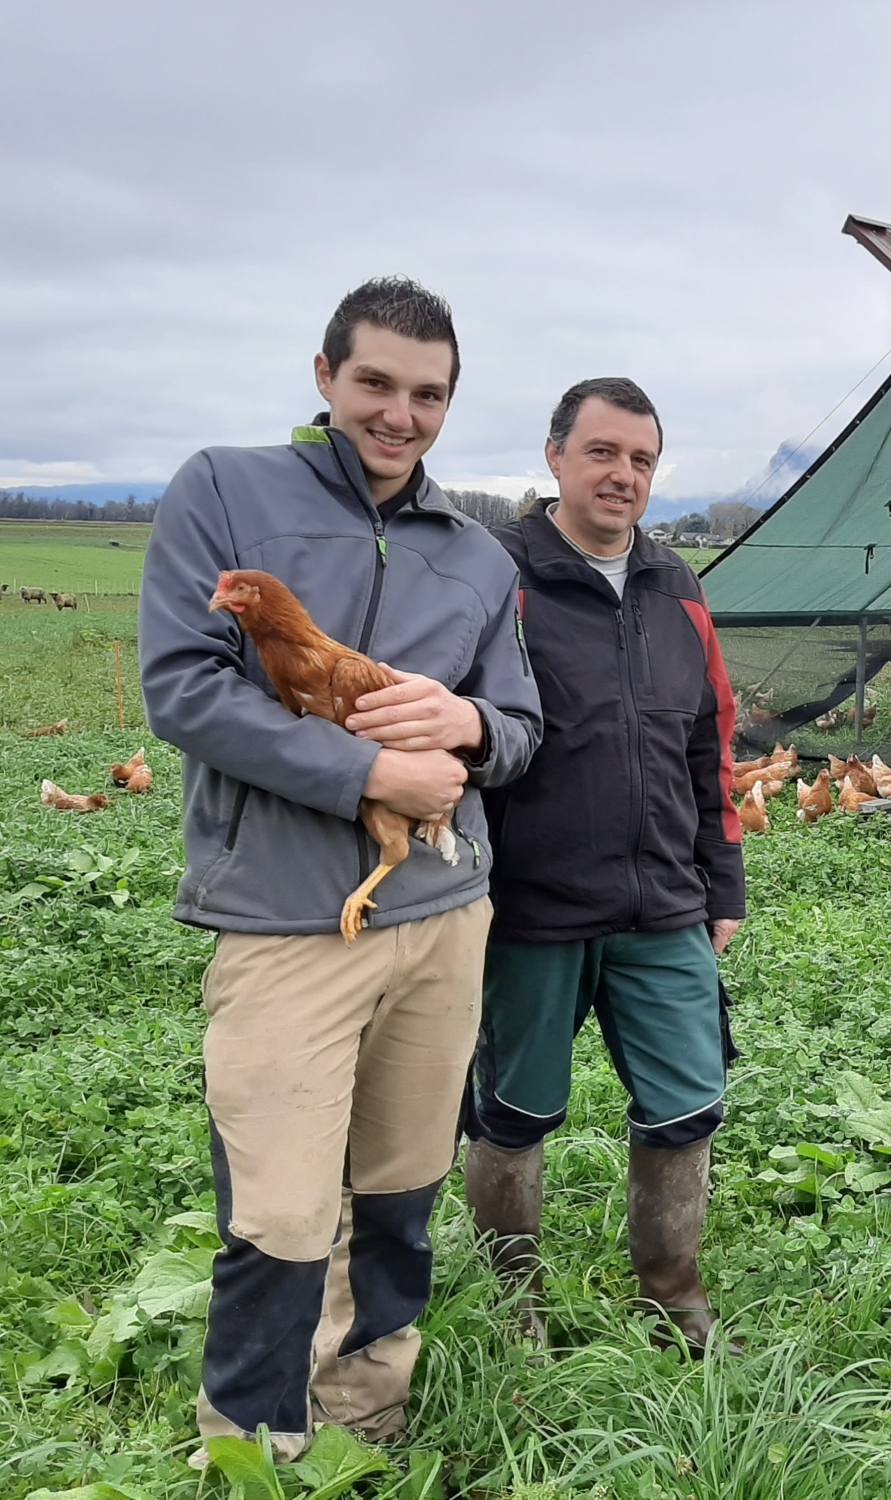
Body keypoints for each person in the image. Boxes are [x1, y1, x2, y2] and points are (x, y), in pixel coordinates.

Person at [139, 277, 543, 1458]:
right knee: (277, 1212)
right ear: (326, 378)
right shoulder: (224, 488)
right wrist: (368, 777)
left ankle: (365, 1424)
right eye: (375, 383)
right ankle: (258, 1453)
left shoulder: (474, 553)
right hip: (281, 920)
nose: (399, 414)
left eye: (427, 394)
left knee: (405, 1188)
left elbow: (519, 724)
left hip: (439, 915)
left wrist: (465, 727)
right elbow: (184, 688)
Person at [461, 377, 744, 1351]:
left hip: (663, 898)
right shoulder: (497, 577)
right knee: (513, 1115)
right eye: (602, 453)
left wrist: (723, 879)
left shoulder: (678, 587)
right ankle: (516, 1308)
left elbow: (711, 739)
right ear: (555, 459)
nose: (622, 475)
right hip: (530, 905)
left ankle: (673, 1294)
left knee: (687, 1102)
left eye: (641, 459)